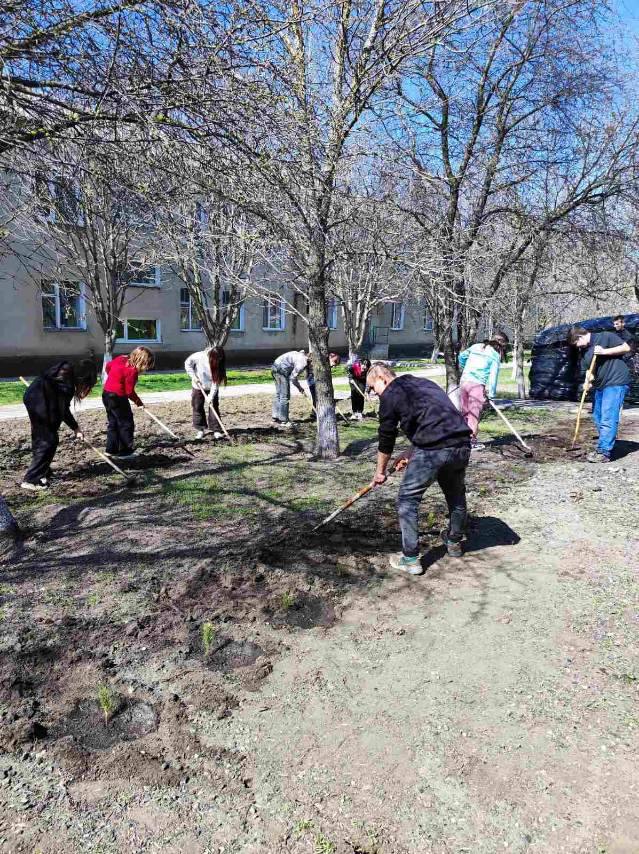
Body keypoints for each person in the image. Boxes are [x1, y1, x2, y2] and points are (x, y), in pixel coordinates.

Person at [368, 363, 472, 575]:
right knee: (456, 495)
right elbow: (433, 420)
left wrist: (380, 472)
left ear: (382, 379)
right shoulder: (423, 384)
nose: (373, 393)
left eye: (372, 388)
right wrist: (411, 451)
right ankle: (454, 543)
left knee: (407, 500)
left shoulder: (390, 394)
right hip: (461, 444)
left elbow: (386, 438)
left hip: (434, 450)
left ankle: (410, 559)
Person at [21, 359, 98, 491]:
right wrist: (75, 428)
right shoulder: (66, 385)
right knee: (48, 440)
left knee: (43, 436)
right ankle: (31, 479)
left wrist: (75, 427)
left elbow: (61, 409)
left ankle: (43, 472)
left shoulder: (66, 370)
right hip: (40, 402)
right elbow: (63, 411)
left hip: (33, 396)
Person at [568, 326, 631, 463]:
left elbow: (626, 348)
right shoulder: (585, 351)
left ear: (580, 337)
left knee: (608, 416)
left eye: (576, 343)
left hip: (616, 381)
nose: (577, 347)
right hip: (600, 385)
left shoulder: (605, 336)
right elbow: (589, 371)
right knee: (598, 416)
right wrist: (587, 381)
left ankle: (604, 451)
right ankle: (606, 444)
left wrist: (604, 351)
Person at [457, 332, 509, 451]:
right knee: (473, 415)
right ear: (500, 344)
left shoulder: (476, 346)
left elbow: (461, 357)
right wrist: (491, 394)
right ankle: (471, 441)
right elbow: (493, 376)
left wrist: (467, 369)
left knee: (465, 412)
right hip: (477, 385)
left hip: (464, 382)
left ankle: (463, 440)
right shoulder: (495, 355)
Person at [102, 346, 154, 459]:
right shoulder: (132, 371)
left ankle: (111, 450)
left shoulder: (121, 358)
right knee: (126, 423)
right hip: (118, 398)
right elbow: (129, 392)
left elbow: (108, 366)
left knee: (113, 422)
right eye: (146, 365)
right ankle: (125, 452)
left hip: (106, 394)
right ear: (141, 361)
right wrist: (139, 403)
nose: (146, 369)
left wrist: (113, 377)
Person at [185, 346, 227, 440]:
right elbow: (187, 364)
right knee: (197, 406)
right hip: (198, 386)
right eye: (216, 359)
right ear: (211, 356)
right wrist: (193, 376)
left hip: (212, 386)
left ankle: (216, 430)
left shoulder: (219, 362)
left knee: (214, 406)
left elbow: (215, 383)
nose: (217, 361)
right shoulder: (199, 356)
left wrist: (211, 397)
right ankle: (200, 429)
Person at [271, 350, 310, 426]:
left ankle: (275, 416)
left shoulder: (302, 354)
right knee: (285, 396)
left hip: (274, 367)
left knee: (279, 394)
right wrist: (299, 387)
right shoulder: (302, 363)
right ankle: (284, 421)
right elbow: (293, 378)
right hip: (281, 371)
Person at [347, 356, 371, 421]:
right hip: (353, 380)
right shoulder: (354, 366)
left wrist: (367, 392)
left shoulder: (368, 370)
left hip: (362, 380)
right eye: (363, 365)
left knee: (361, 394)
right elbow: (349, 371)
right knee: (354, 394)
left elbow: (368, 380)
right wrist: (350, 378)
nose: (364, 367)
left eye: (366, 366)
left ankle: (360, 412)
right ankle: (354, 412)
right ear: (361, 363)